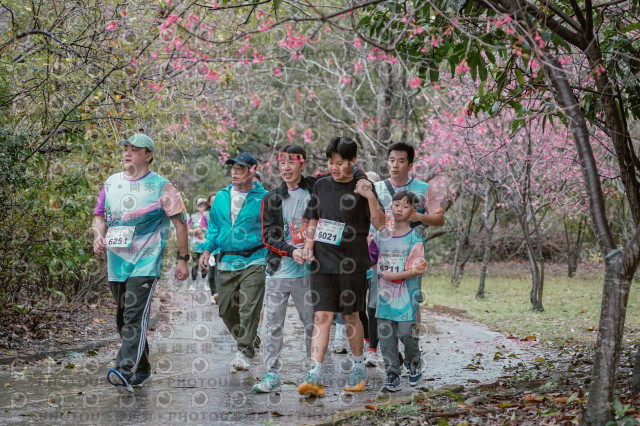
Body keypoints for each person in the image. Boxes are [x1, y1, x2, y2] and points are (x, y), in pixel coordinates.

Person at [92, 133, 189, 392]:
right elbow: (99, 217)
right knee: (123, 320)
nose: (127, 153)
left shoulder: (162, 186)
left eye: (134, 150)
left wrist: (183, 259)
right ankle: (143, 369)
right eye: (126, 148)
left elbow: (180, 223)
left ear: (148, 155)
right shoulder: (111, 183)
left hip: (146, 263)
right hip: (116, 263)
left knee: (134, 315)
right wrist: (98, 236)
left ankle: (124, 371)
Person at [298, 136, 385, 396]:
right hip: (322, 262)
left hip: (352, 264)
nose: (334, 168)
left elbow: (380, 223)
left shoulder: (363, 187)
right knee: (322, 316)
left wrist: (369, 195)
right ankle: (315, 373)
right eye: (331, 162)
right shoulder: (322, 185)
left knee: (350, 317)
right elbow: (313, 219)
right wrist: (308, 247)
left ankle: (358, 368)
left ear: (353, 161)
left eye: (340, 163)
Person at [371, 141, 444, 365]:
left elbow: (439, 218)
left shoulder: (423, 188)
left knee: (411, 301)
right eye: (391, 160)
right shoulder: (378, 188)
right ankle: (391, 357)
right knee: (381, 302)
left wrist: (420, 217)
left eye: (400, 161)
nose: (394, 165)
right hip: (383, 256)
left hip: (410, 257)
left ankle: (411, 349)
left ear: (410, 165)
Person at [199, 152, 267, 372]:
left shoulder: (265, 198)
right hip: (227, 260)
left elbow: (273, 229)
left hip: (255, 259)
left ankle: (244, 352)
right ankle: (250, 337)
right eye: (233, 169)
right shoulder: (221, 197)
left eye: (240, 169)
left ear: (252, 171)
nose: (235, 173)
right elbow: (214, 228)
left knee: (249, 308)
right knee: (225, 308)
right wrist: (207, 249)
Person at [369, 190, 426, 391]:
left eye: (405, 206)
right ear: (390, 207)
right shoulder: (381, 236)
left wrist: (395, 276)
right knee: (386, 335)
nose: (399, 209)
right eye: (396, 205)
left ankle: (414, 361)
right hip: (384, 297)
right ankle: (392, 372)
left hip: (406, 298)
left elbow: (419, 267)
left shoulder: (414, 238)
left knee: (406, 334)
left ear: (413, 211)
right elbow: (371, 260)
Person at [188, 198, 208, 289]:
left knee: (205, 263)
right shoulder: (193, 217)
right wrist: (194, 231)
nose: (202, 207)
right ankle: (193, 283)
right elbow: (188, 229)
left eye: (204, 205)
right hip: (195, 244)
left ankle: (204, 282)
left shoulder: (208, 216)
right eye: (200, 205)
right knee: (195, 264)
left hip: (205, 244)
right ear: (197, 206)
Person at [202, 192, 218, 303]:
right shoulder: (206, 215)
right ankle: (213, 294)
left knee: (219, 271)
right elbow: (203, 230)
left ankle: (219, 294)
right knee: (212, 272)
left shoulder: (224, 213)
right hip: (211, 248)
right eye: (213, 201)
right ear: (209, 203)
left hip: (222, 248)